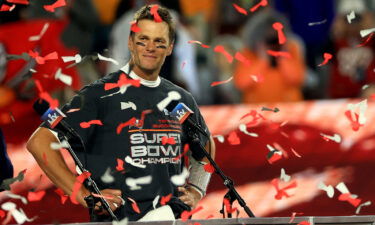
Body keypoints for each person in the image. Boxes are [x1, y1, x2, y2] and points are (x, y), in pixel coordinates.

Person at [26, 4, 215, 222]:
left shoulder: (180, 98)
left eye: (159, 41)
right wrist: (84, 195)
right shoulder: (100, 95)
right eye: (143, 39)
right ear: (130, 42)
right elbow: (40, 142)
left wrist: (196, 189)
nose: (150, 47)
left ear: (171, 47)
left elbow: (205, 145)